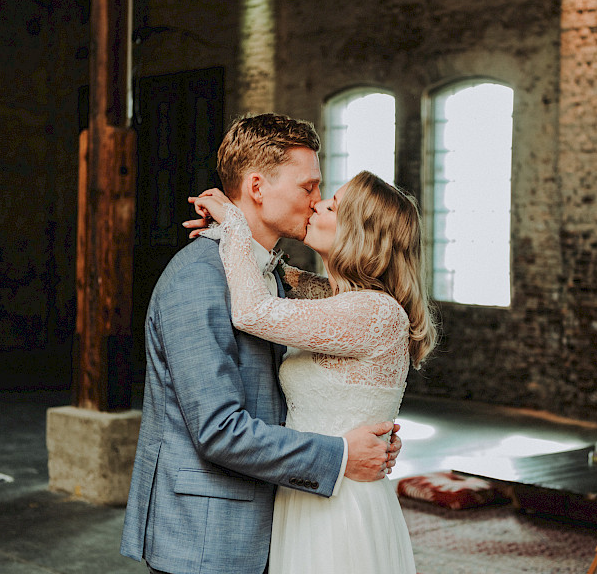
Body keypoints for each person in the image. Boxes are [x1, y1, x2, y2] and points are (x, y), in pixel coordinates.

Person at [120, 113, 401, 574]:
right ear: (257, 188)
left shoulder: (274, 277)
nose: (316, 203)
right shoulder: (198, 277)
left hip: (278, 525)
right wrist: (343, 453)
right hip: (207, 540)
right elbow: (218, 429)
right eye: (307, 188)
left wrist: (367, 427)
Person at [189, 168, 437, 574]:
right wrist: (236, 227)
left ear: (360, 233)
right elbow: (269, 270)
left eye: (332, 205)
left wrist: (234, 222)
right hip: (310, 488)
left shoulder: (373, 311)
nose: (316, 204)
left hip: (341, 504)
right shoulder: (335, 296)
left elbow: (253, 310)